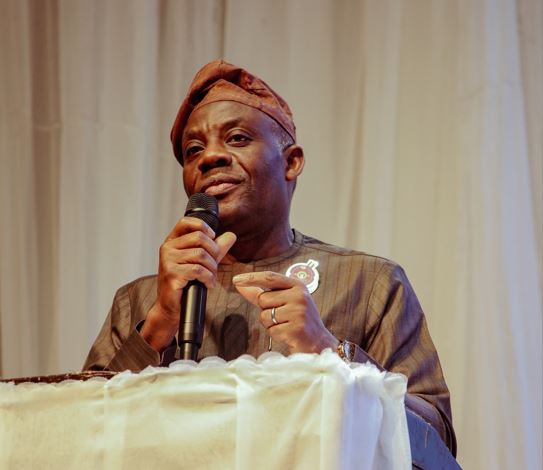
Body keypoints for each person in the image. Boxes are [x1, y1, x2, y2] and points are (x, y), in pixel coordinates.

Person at [84, 59, 456, 455]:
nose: (209, 157)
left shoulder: (369, 283)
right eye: (194, 150)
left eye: (237, 138)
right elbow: (77, 431)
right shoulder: (139, 301)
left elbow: (435, 440)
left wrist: (328, 350)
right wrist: (158, 325)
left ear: (291, 162)